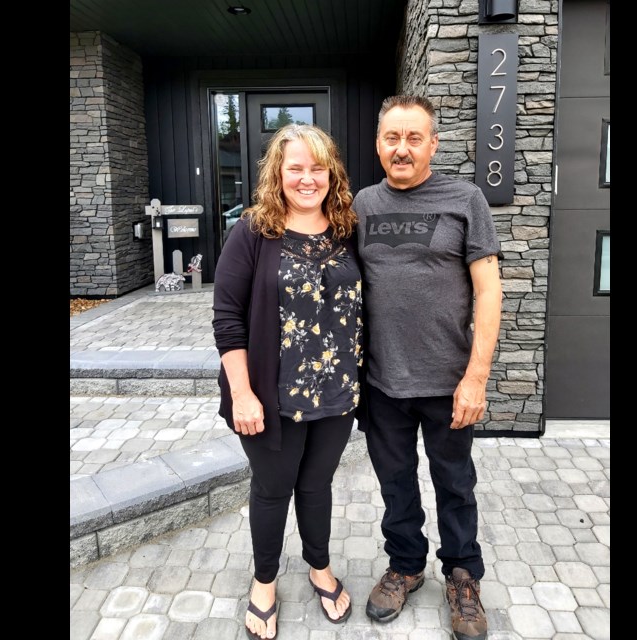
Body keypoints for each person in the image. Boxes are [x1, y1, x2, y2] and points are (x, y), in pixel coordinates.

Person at [354, 95, 503, 640]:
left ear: (433, 144)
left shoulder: (465, 199)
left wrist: (476, 377)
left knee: (455, 484)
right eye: (392, 137)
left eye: (414, 137)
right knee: (395, 483)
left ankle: (463, 577)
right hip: (381, 382)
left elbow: (489, 291)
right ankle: (406, 565)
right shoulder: (362, 204)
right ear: (378, 144)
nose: (402, 148)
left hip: (447, 381)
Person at [213, 123, 362, 640]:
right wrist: (242, 393)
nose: (306, 179)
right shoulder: (253, 230)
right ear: (277, 175)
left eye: (316, 168)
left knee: (317, 486)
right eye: (294, 168)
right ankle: (264, 581)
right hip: (271, 398)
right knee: (274, 489)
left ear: (330, 173)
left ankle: (319, 566)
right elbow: (227, 317)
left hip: (338, 394)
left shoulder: (347, 227)